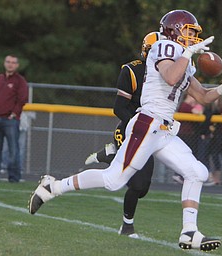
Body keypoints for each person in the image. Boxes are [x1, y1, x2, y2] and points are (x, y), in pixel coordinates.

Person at [29, 10, 222, 251]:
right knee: (113, 180)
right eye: (189, 31)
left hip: (164, 129)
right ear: (173, 30)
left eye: (194, 33)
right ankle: (54, 187)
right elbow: (171, 77)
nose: (193, 37)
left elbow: (202, 96)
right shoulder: (163, 47)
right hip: (148, 122)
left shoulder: (184, 56)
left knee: (197, 172)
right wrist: (186, 53)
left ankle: (189, 232)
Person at [84, 31, 160, 238]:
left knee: (142, 188)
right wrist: (138, 127)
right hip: (131, 130)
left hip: (153, 133)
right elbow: (119, 108)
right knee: (131, 182)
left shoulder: (168, 74)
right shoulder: (133, 70)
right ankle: (127, 227)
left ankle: (112, 155)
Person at [0, 55, 28, 182]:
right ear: (4, 63)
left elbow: (22, 99)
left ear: (17, 65)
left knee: (13, 150)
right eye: (8, 62)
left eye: (13, 62)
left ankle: (14, 178)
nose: (10, 64)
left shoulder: (20, 81)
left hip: (10, 121)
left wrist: (14, 114)